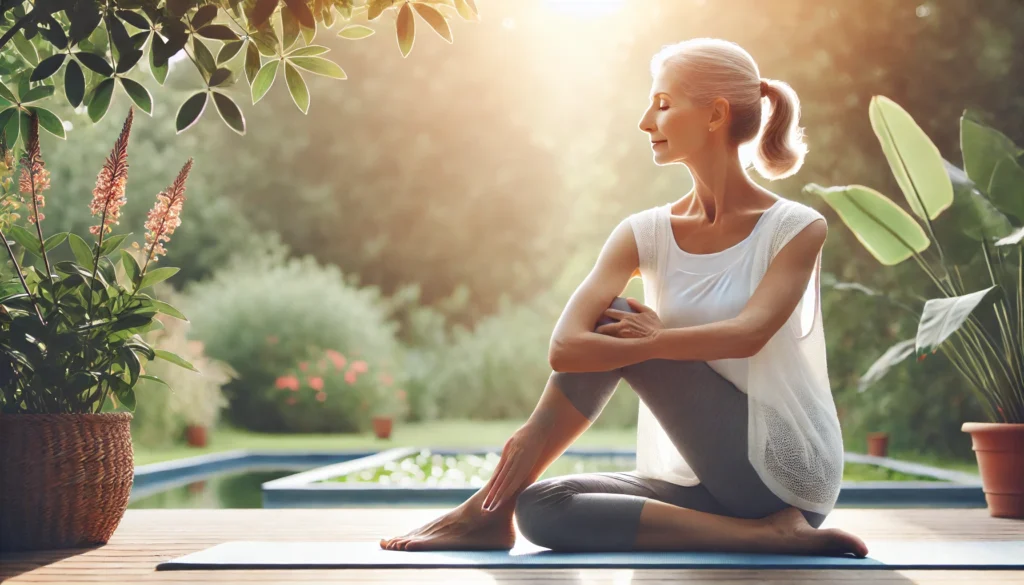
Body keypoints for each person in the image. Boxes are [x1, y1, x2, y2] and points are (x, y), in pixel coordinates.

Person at [380, 38, 867, 557]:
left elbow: (748, 334)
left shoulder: (794, 228)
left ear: (715, 114)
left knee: (616, 322)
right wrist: (537, 429)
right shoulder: (645, 232)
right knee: (543, 507)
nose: (644, 122)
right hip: (701, 482)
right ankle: (761, 536)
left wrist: (654, 341)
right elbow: (566, 348)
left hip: (783, 475)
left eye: (662, 104)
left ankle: (483, 510)